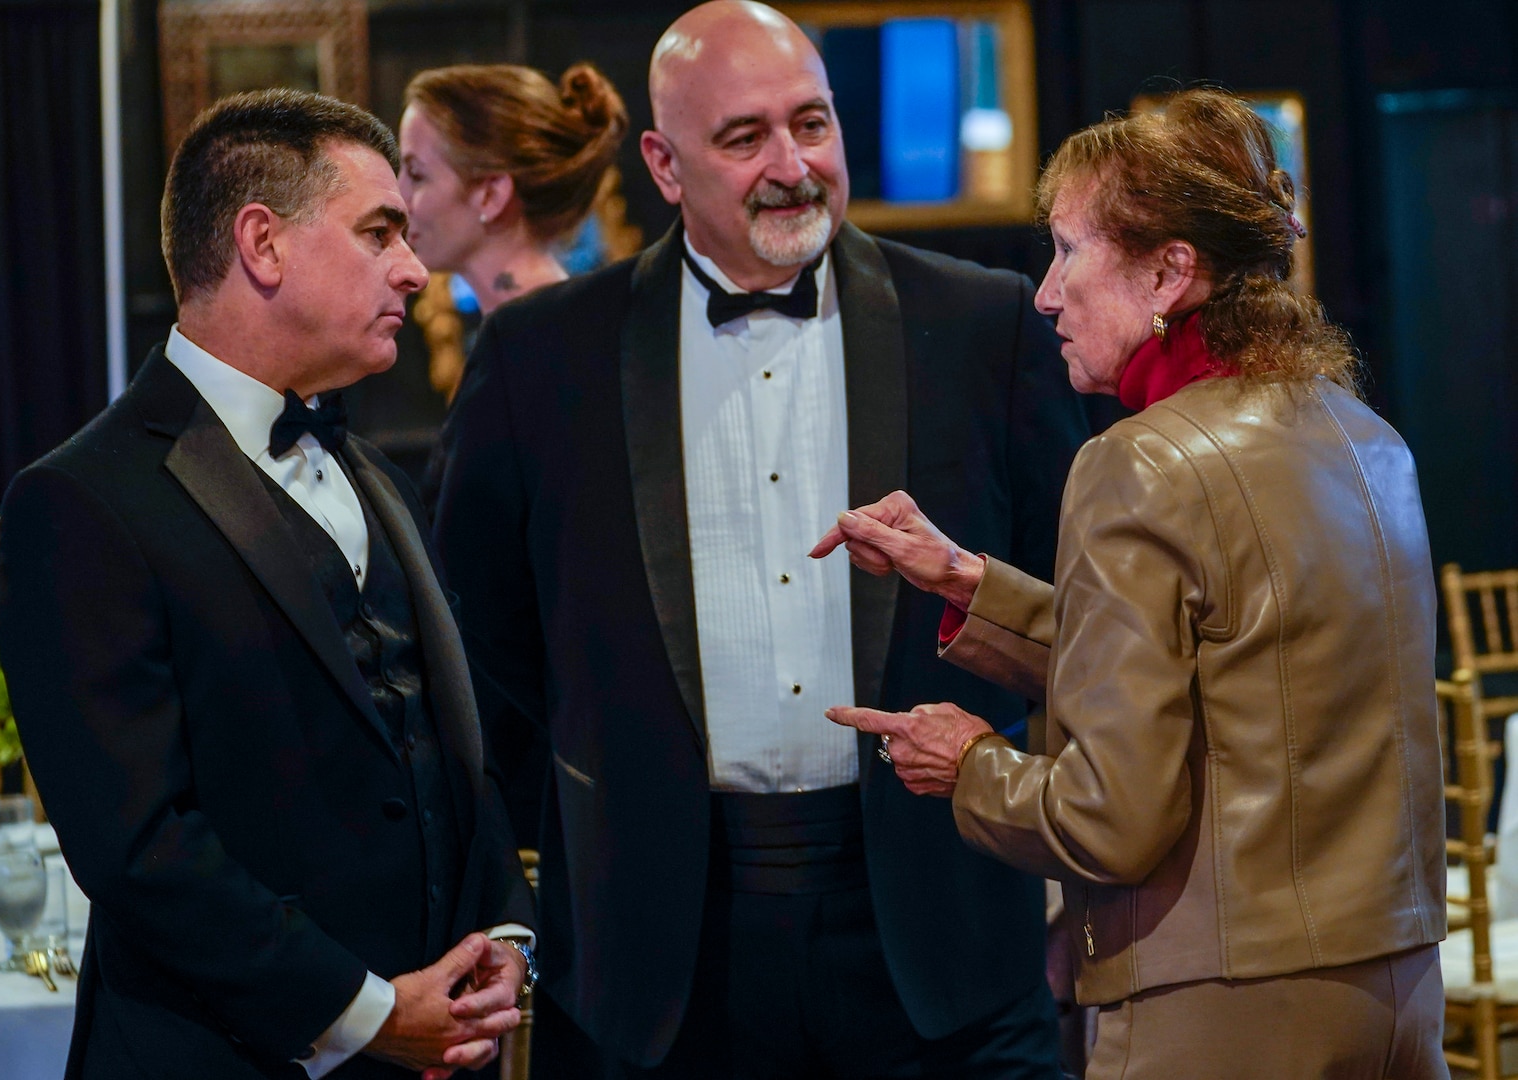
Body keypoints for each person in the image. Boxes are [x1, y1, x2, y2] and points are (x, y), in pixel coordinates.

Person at [432, 3, 1091, 1076]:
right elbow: (484, 635)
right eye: (743, 139)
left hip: (945, 930)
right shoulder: (537, 358)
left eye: (812, 125)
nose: (792, 166)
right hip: (655, 949)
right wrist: (604, 785)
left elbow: (1074, 617)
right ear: (663, 161)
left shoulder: (984, 327)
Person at [818, 88, 1448, 1078]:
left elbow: (1110, 820)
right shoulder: (1365, 438)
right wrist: (965, 580)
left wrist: (969, 764)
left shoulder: (1136, 462)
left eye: (1067, 250)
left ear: (1168, 273)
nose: (1043, 292)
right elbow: (1228, 675)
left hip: (1219, 1009)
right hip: (1396, 993)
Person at [0, 89, 535, 1080]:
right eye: (379, 232)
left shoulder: (379, 478)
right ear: (263, 242)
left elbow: (455, 750)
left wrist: (505, 930)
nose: (415, 270)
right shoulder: (79, 502)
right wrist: (363, 1012)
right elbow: (140, 848)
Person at [398, 61, 627, 319]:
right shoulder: (530, 325)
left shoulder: (542, 335)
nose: (398, 198)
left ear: (492, 195)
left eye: (417, 175)